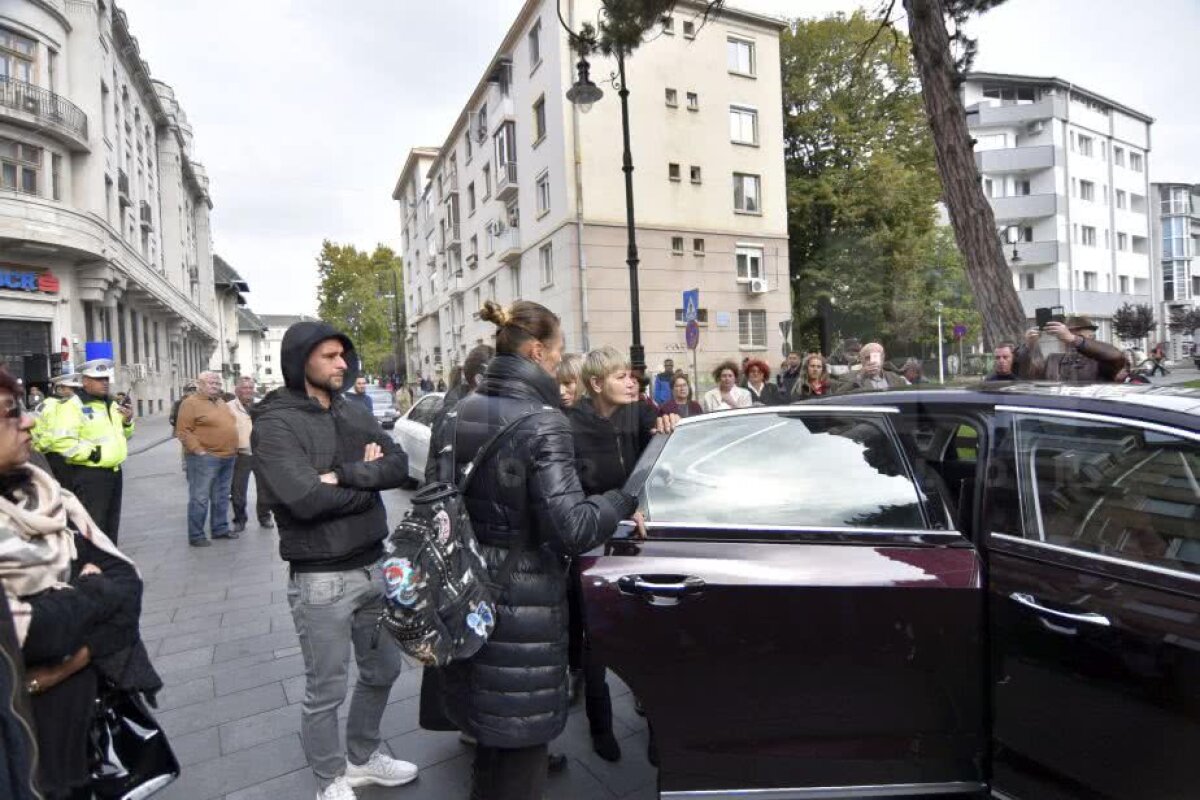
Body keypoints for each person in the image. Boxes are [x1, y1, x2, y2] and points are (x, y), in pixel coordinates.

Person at [428, 300, 638, 800]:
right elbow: (572, 528)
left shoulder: (455, 410)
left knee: (487, 737)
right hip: (522, 599)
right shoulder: (545, 422)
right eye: (559, 351)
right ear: (538, 351)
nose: (561, 362)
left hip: (462, 588)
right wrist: (621, 499)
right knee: (522, 747)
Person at [252, 321, 416, 800]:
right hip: (321, 579)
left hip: (374, 566)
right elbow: (304, 500)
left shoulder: (352, 409)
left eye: (343, 355)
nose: (342, 363)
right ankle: (330, 779)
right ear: (300, 360)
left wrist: (341, 476)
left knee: (383, 670)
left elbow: (398, 465)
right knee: (325, 689)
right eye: (329, 356)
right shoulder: (275, 422)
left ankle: (362, 758)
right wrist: (365, 483)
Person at [0, 366, 161, 798]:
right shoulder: (64, 408)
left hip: (84, 729)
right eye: (10, 412)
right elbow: (22, 633)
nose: (28, 420)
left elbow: (126, 580)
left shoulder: (44, 494)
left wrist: (76, 655)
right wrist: (90, 595)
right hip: (24, 747)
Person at [565, 346, 676, 763]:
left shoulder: (639, 412)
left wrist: (669, 420)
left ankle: (655, 725)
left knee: (647, 637)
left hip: (638, 541)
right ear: (596, 384)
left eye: (632, 375)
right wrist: (617, 506)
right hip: (592, 541)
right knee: (596, 641)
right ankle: (600, 726)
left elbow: (665, 431)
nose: (632, 382)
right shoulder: (570, 425)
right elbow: (570, 493)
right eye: (620, 376)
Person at [60, 359, 134, 543]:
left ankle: (108, 562)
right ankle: (91, 565)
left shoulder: (111, 404)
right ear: (85, 381)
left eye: (106, 378)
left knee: (111, 522)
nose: (104, 382)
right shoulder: (73, 406)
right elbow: (63, 442)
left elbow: (124, 434)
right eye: (98, 378)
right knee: (94, 524)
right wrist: (93, 455)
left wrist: (128, 422)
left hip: (114, 472)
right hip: (90, 474)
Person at [175, 371, 240, 547]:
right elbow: (183, 431)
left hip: (227, 456)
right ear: (200, 384)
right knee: (200, 497)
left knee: (221, 496)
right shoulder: (190, 403)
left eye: (218, 383)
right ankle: (196, 535)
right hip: (204, 458)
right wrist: (198, 451)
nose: (216, 386)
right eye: (211, 383)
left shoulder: (220, 402)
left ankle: (220, 529)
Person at [423, 343, 495, 485]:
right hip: (457, 501)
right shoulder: (451, 414)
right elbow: (434, 467)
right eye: (498, 375)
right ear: (479, 379)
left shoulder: (494, 410)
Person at [227, 375, 273, 533]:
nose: (248, 391)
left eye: (250, 388)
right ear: (237, 390)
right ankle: (240, 519)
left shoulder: (261, 406)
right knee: (238, 490)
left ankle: (264, 516)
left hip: (262, 454)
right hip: (241, 453)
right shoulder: (228, 407)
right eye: (244, 388)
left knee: (265, 488)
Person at [1018, 317, 1124, 383]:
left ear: (1092, 338)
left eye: (1080, 336)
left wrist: (1074, 339)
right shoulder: (1053, 360)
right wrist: (1030, 346)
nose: (1070, 341)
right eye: (1065, 336)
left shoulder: (1100, 362)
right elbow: (1028, 377)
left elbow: (1116, 356)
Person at [32, 372, 84, 487]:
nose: (73, 391)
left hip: (63, 455)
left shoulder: (73, 403)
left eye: (74, 388)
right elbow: (39, 429)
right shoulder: (50, 405)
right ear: (59, 388)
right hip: (57, 456)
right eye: (70, 388)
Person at [836, 343, 909, 393]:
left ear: (882, 358)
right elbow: (837, 396)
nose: (871, 361)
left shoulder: (896, 378)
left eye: (875, 357)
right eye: (867, 358)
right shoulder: (847, 377)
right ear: (861, 360)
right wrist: (860, 376)